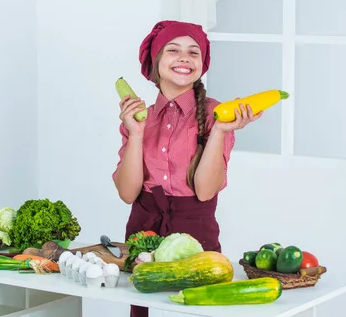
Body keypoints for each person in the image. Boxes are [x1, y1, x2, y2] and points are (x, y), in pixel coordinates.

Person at [112, 20, 263, 317]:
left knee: (195, 309)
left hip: (197, 236)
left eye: (194, 52)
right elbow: (128, 193)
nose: (184, 58)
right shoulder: (140, 118)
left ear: (202, 64)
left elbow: (205, 191)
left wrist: (219, 131)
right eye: (173, 50)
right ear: (155, 62)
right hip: (143, 232)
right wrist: (137, 133)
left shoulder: (218, 114)